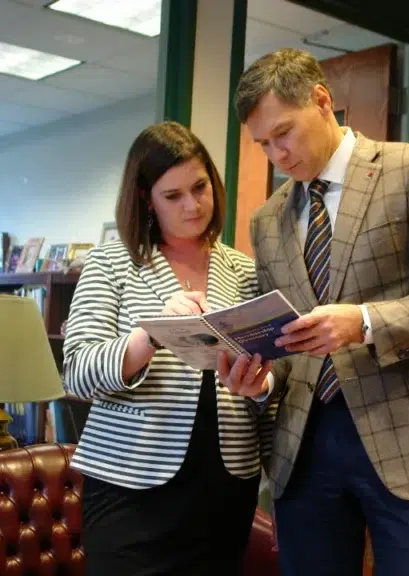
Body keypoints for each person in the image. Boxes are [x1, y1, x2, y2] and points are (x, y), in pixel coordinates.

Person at [220, 48, 409, 576]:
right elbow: (288, 344)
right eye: (262, 144)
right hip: (304, 448)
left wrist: (366, 323)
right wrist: (257, 379)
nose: (277, 154)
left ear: (322, 101)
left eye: (283, 133)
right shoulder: (267, 219)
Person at [62, 121, 275, 576]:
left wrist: (260, 386)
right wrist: (149, 336)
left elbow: (274, 379)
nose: (194, 205)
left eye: (200, 187)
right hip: (129, 486)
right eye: (173, 196)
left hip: (225, 485)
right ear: (145, 198)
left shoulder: (244, 271)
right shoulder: (112, 261)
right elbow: (77, 373)